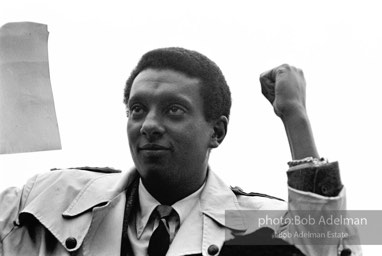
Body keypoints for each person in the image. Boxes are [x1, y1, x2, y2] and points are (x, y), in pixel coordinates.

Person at [0, 47, 360, 256]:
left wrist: (294, 117)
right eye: (138, 109)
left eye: (174, 110)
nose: (149, 125)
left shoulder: (259, 222)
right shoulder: (49, 198)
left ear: (216, 131)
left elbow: (332, 247)